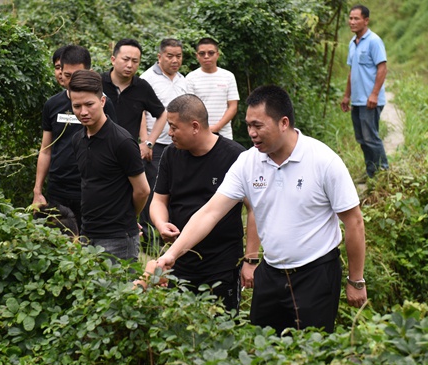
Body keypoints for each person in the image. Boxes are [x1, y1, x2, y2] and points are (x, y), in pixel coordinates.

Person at [157, 85, 368, 334]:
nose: (252, 133)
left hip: (316, 273)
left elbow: (354, 222)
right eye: (248, 125)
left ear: (283, 122)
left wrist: (356, 279)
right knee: (262, 346)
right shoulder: (248, 161)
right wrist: (172, 254)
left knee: (313, 348)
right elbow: (210, 212)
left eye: (258, 125)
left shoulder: (323, 160)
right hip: (271, 272)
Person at [149, 94, 255, 312]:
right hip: (178, 260)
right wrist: (161, 224)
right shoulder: (171, 155)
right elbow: (158, 200)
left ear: (195, 126)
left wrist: (250, 259)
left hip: (222, 263)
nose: (169, 134)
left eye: (174, 127)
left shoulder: (235, 156)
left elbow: (254, 209)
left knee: (221, 325)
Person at [32, 45, 117, 229]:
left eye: (78, 75)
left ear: (90, 72)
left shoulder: (103, 104)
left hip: (90, 190)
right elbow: (46, 150)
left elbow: (112, 148)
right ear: (60, 72)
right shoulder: (52, 104)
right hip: (58, 188)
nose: (73, 81)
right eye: (68, 75)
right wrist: (38, 190)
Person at [70, 70, 150, 261]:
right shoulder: (77, 139)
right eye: (77, 106)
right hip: (87, 234)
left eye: (89, 104)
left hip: (118, 239)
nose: (83, 112)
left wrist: (129, 218)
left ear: (102, 102)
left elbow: (142, 191)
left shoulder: (121, 141)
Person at [101, 38, 168, 244]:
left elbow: (162, 114)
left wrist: (148, 143)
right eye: (126, 59)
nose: (130, 65)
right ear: (113, 59)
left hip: (128, 155)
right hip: (99, 152)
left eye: (135, 61)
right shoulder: (98, 83)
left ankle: (128, 242)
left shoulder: (142, 87)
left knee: (132, 199)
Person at [139, 38, 187, 248]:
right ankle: (151, 239)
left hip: (178, 144)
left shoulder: (183, 79)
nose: (174, 60)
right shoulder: (147, 79)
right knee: (153, 190)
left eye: (178, 56)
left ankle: (171, 234)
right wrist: (146, 142)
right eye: (170, 56)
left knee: (174, 187)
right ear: (159, 56)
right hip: (154, 144)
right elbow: (140, 111)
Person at [341, 4, 389, 179]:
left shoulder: (374, 41)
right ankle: (371, 173)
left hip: (370, 101)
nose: (352, 22)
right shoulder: (352, 44)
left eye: (356, 18)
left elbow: (382, 68)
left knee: (371, 138)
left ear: (366, 20)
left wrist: (374, 94)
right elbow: (352, 72)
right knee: (362, 139)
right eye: (350, 18)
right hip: (357, 101)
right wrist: (347, 96)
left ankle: (384, 173)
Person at [185, 37, 239, 140]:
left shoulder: (228, 76)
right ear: (197, 56)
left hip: (224, 134)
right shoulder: (190, 78)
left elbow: (233, 106)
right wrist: (204, 128)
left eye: (211, 53)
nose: (206, 56)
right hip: (199, 133)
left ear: (217, 55)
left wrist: (217, 127)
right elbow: (190, 108)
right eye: (202, 53)